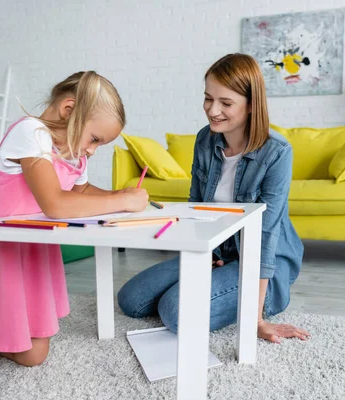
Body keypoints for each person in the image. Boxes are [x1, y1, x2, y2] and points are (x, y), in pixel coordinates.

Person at [0, 71, 148, 370]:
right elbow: (55, 204)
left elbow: (84, 191)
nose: (92, 150)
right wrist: (123, 201)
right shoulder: (31, 133)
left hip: (33, 256)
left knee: (33, 355)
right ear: (68, 110)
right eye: (94, 139)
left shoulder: (74, 154)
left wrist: (121, 193)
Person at [118, 54, 309, 343]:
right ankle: (210, 289)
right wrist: (200, 255)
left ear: (252, 104)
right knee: (131, 299)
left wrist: (254, 319)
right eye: (208, 98)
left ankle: (264, 300)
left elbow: (265, 234)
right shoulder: (205, 140)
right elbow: (195, 206)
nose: (212, 110)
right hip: (220, 253)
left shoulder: (277, 152)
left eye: (226, 103)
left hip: (261, 263)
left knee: (175, 312)